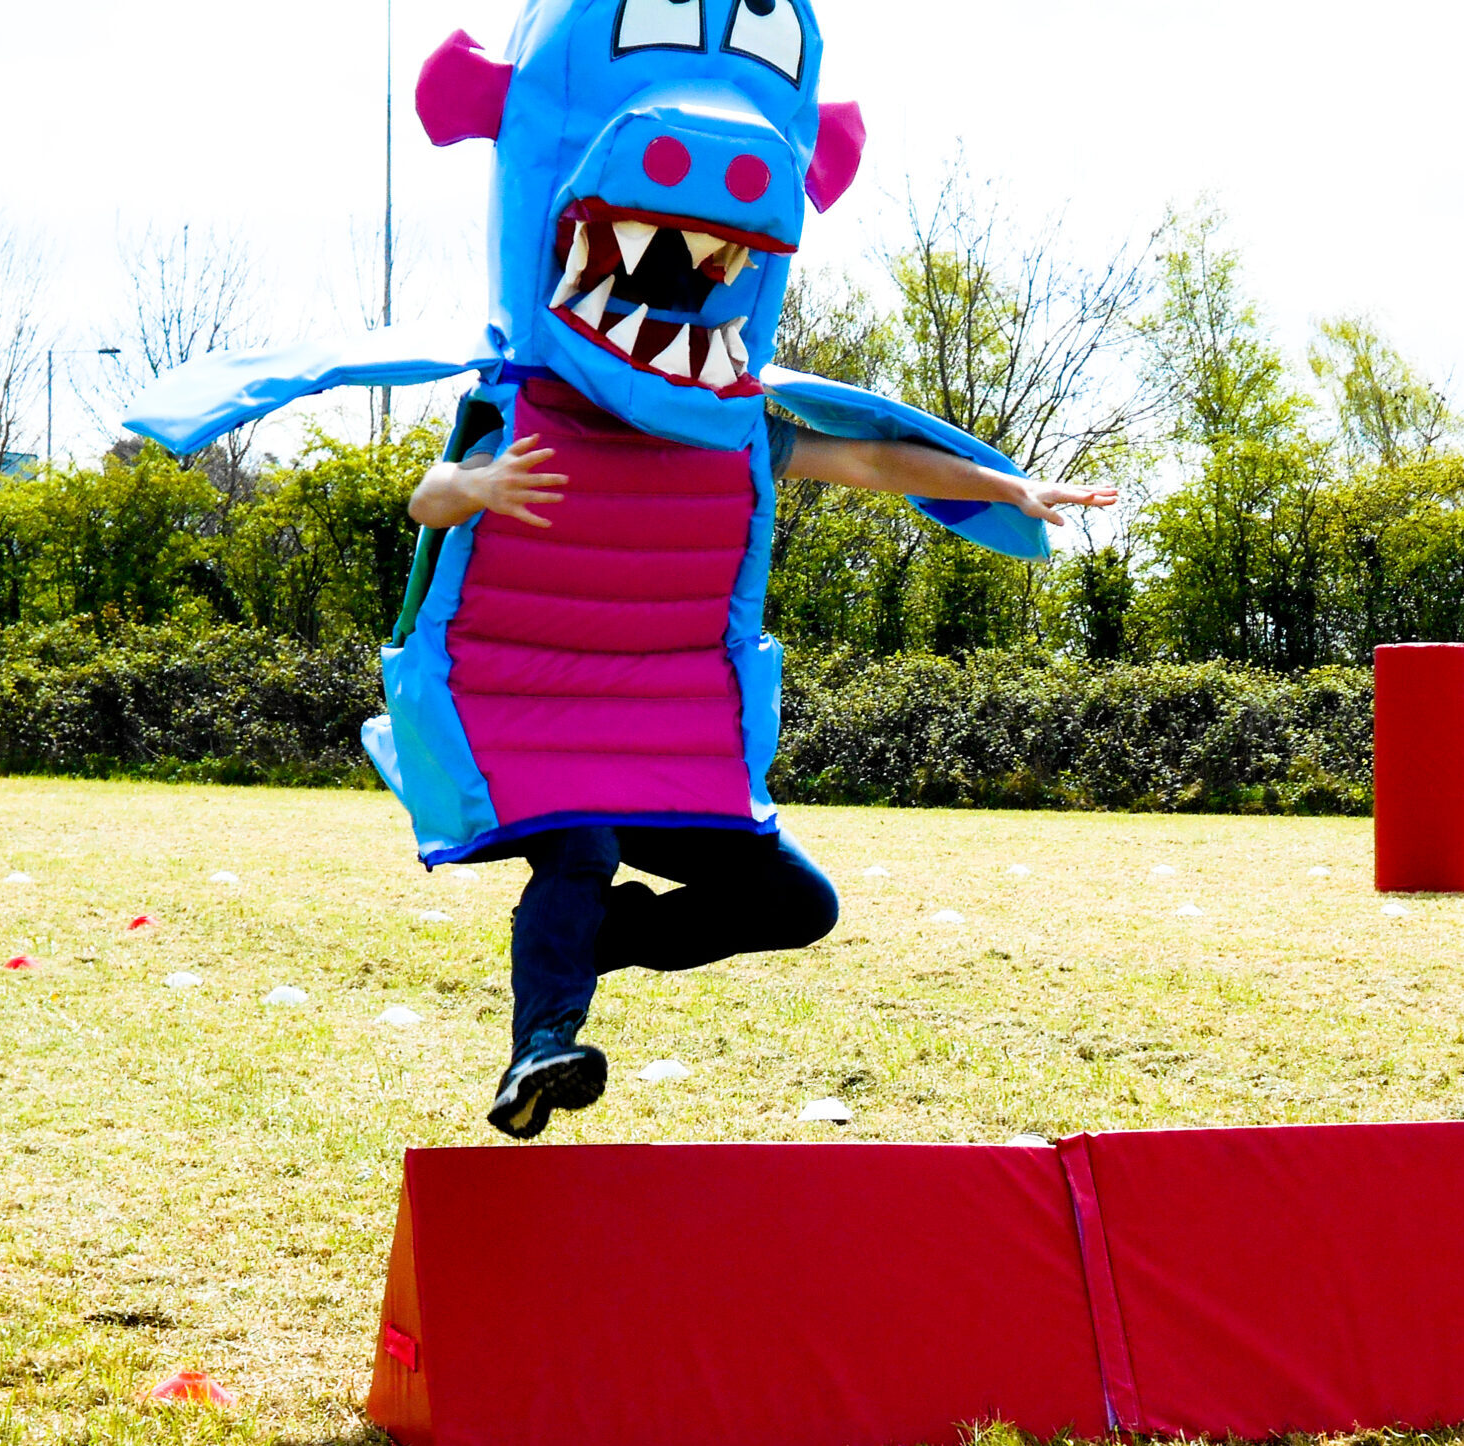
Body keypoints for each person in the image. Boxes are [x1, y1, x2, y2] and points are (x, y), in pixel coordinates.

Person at [410, 415, 1115, 1138]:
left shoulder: (726, 428)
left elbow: (873, 461)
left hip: (663, 747)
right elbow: (429, 499)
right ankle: (541, 1047)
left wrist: (1009, 488)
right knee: (581, 848)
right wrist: (478, 486)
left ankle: (580, 935)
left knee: (800, 902)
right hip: (545, 734)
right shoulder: (543, 418)